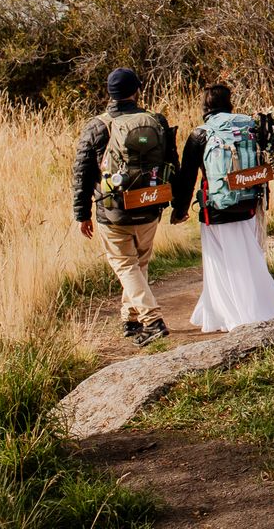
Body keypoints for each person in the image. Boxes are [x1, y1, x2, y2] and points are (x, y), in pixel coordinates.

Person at [171, 84, 274, 333]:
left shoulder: (200, 134)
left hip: (216, 209)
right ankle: (257, 302)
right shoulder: (249, 125)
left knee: (220, 260)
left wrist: (179, 209)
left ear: (204, 107)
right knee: (248, 254)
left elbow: (187, 177)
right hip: (248, 203)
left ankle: (225, 310)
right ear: (229, 103)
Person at [72, 67, 178, 345]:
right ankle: (130, 320)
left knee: (125, 265)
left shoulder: (97, 125)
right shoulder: (156, 120)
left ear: (110, 93)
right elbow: (171, 162)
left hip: (113, 209)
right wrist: (175, 201)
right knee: (138, 263)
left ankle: (152, 320)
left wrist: (81, 214)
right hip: (150, 204)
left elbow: (82, 172)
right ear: (136, 90)